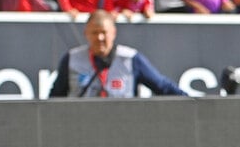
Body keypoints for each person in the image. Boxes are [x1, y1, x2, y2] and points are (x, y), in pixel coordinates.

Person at [49, 9, 187, 97]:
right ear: (86, 34)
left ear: (114, 33)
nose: (100, 38)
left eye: (104, 32)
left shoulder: (131, 59)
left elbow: (162, 86)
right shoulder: (72, 59)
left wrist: (192, 102)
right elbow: (55, 97)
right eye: (94, 33)